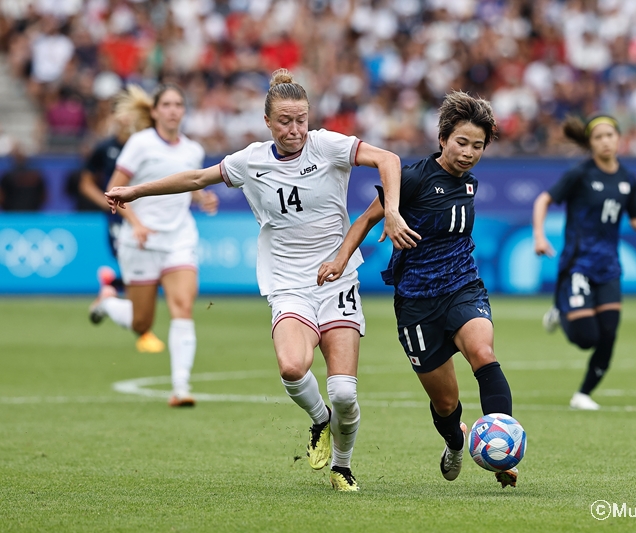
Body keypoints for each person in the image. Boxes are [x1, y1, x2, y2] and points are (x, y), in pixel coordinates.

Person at [105, 69, 417, 492]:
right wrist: (136, 191)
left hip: (338, 281)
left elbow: (389, 160)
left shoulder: (327, 145)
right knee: (292, 367)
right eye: (285, 121)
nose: (295, 129)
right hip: (288, 282)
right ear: (267, 122)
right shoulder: (250, 160)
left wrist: (393, 210)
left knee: (344, 392)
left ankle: (342, 466)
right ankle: (319, 420)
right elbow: (197, 178)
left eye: (301, 119)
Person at [317, 91, 518, 488]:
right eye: (461, 142)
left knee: (483, 352)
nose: (468, 153)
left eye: (478, 146)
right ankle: (456, 442)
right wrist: (340, 260)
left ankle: (503, 451)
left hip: (463, 287)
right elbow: (365, 220)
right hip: (416, 305)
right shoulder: (413, 179)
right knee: (445, 402)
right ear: (442, 139)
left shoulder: (470, 185)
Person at [89, 84, 219, 407]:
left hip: (179, 238)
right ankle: (107, 302)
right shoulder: (139, 144)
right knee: (141, 323)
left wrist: (203, 197)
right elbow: (112, 189)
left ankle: (181, 388)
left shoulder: (193, 151)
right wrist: (136, 224)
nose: (174, 109)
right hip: (141, 240)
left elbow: (186, 186)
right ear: (155, 111)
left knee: (182, 307)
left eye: (179, 104)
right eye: (168, 104)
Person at [532, 114, 636, 410]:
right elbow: (543, 200)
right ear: (591, 143)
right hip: (578, 264)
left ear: (619, 139)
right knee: (586, 338)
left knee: (609, 333)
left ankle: (583, 394)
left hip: (608, 266)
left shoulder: (627, 178)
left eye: (610, 135)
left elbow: (635, 220)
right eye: (599, 137)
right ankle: (561, 310)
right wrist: (540, 236)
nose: (605, 141)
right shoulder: (580, 174)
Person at [82, 93, 164, 353]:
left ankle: (110, 289)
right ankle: (143, 329)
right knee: (139, 270)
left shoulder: (148, 144)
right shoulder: (105, 147)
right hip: (121, 218)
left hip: (148, 217)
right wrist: (107, 201)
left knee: (149, 273)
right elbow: (86, 183)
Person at [0, 145, 46, 211]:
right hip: (24, 214)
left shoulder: (8, 175)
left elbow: (43, 196)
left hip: (16, 214)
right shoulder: (36, 175)